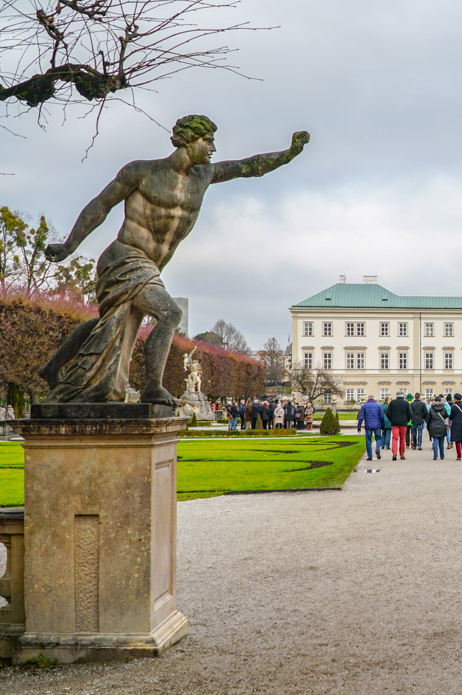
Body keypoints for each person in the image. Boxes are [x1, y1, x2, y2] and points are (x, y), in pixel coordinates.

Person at [40, 116, 309, 405]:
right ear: (187, 140)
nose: (213, 148)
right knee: (170, 313)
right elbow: (101, 205)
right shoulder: (143, 172)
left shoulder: (203, 176)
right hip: (124, 258)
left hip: (151, 266)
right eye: (207, 140)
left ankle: (53, 368)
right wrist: (69, 245)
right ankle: (153, 387)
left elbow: (249, 167)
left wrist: (288, 154)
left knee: (110, 324)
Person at [356, 396, 386, 461]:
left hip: (368, 426)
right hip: (377, 425)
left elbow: (361, 417)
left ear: (368, 399)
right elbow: (382, 417)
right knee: (378, 438)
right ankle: (377, 449)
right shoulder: (378, 406)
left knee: (368, 440)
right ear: (374, 399)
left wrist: (359, 426)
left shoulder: (364, 406)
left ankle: (370, 456)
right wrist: (383, 426)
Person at [385, 392, 413, 460]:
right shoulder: (406, 403)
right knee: (402, 438)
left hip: (394, 423)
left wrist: (391, 419)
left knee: (395, 438)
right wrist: (406, 420)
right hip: (403, 423)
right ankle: (402, 454)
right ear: (403, 396)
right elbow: (410, 414)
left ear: (396, 396)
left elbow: (388, 413)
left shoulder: (392, 403)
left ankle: (394, 453)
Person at [428, 395, 450, 460]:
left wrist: (428, 427)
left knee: (435, 442)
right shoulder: (443, 408)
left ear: (435, 401)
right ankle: (442, 456)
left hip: (433, 426)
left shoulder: (431, 409)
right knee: (441, 442)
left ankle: (435, 456)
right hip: (442, 426)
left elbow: (428, 419)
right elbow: (446, 416)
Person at [450, 392, 462, 460]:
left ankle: (459, 456)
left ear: (455, 399)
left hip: (456, 424)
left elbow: (451, 417)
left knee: (457, 440)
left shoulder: (453, 407)